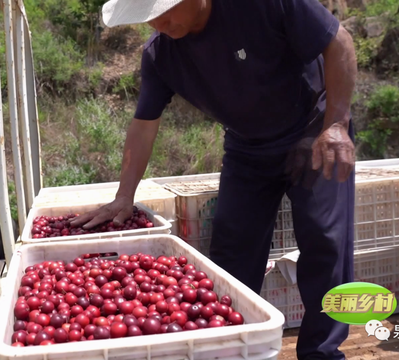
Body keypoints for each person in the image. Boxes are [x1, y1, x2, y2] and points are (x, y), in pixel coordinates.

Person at [70, 0, 357, 358]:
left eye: (164, 11)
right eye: (149, 19)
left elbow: (339, 42)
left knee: (324, 243)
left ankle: (322, 352)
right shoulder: (161, 55)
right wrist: (124, 195)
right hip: (247, 150)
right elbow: (144, 123)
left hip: (311, 134)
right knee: (232, 255)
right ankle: (233, 348)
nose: (159, 24)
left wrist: (335, 125)